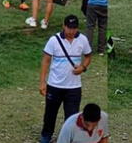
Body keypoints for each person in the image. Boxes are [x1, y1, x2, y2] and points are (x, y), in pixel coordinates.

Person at [39, 15, 92, 143]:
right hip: (54, 85)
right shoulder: (54, 40)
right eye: (69, 28)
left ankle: (68, 138)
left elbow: (88, 56)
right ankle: (46, 135)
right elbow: (46, 61)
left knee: (72, 117)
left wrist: (83, 67)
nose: (71, 31)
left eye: (74, 28)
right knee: (50, 114)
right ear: (64, 26)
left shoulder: (82, 39)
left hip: (73, 87)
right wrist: (42, 82)